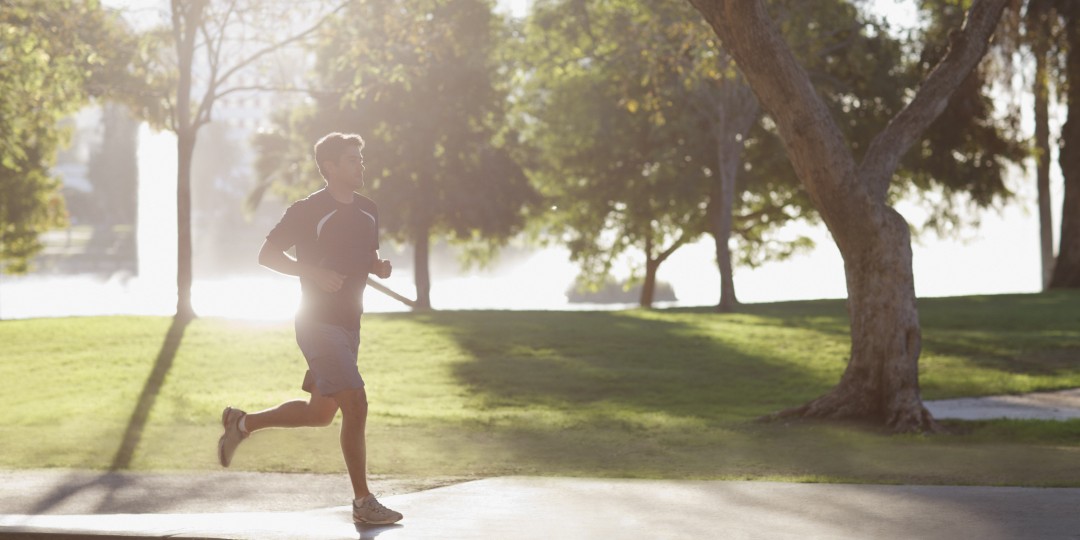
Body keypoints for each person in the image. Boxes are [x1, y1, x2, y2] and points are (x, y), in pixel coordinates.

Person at [217, 132, 402, 525]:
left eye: (360, 159)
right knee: (357, 403)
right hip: (318, 323)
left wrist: (377, 266)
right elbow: (267, 255)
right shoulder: (307, 209)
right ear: (330, 167)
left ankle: (242, 423)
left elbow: (364, 255)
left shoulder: (368, 209)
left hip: (350, 325)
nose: (360, 165)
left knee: (320, 414)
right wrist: (312, 271)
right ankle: (363, 502)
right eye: (352, 160)